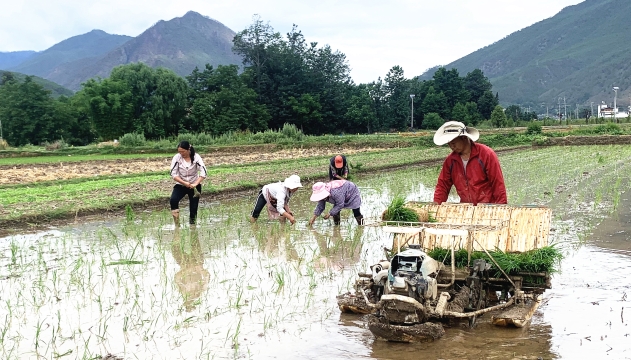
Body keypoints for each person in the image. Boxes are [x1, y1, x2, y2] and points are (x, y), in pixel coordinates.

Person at [432, 121, 507, 205]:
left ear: (464, 138)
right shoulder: (450, 161)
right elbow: (442, 186)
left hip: (487, 207)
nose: (451, 146)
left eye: (453, 143)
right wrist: (435, 206)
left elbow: (498, 185)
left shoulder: (486, 154)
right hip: (467, 208)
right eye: (449, 144)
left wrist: (502, 207)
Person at [170, 141, 207, 225]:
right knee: (173, 200)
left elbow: (203, 172)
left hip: (194, 185)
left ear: (188, 149)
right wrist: (184, 183)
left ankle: (192, 227)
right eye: (179, 151)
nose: (181, 153)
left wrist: (195, 184)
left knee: (193, 208)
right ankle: (177, 224)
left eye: (183, 151)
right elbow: (173, 174)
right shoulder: (177, 158)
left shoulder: (196, 157)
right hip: (181, 184)